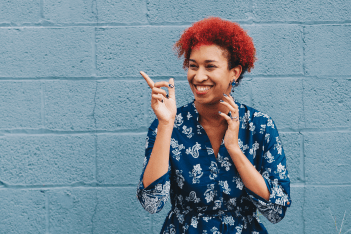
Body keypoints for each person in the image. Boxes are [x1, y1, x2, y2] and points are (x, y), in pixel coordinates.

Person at [137, 17, 291, 234]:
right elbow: (152, 204)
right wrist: (165, 124)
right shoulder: (168, 124)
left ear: (234, 73)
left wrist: (235, 151)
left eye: (210, 66)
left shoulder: (260, 126)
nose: (199, 76)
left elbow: (277, 209)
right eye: (193, 66)